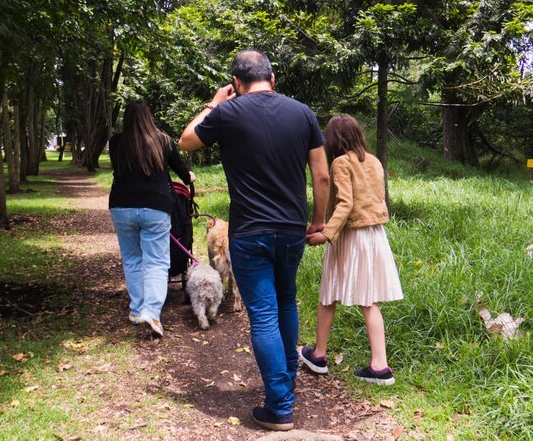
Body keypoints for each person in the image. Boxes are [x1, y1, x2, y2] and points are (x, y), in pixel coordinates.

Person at [179, 49, 329, 431]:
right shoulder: (303, 113)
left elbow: (185, 141)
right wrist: (318, 222)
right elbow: (321, 176)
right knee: (286, 303)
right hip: (293, 230)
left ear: (236, 84)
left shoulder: (228, 113)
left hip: (249, 233)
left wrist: (214, 102)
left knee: (263, 315)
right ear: (273, 78)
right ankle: (287, 383)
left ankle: (280, 407)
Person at [300, 114, 403, 385]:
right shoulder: (373, 160)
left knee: (330, 293)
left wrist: (325, 234)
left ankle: (322, 355)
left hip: (350, 235)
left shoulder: (341, 163)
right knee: (367, 300)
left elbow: (344, 205)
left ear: (334, 139)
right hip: (374, 235)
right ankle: (375, 365)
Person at [109, 100, 195, 338]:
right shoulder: (163, 141)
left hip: (122, 206)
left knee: (132, 259)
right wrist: (190, 177)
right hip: (156, 207)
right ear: (149, 117)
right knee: (157, 261)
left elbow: (121, 171)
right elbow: (182, 173)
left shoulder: (116, 142)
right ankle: (152, 312)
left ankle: (137, 310)